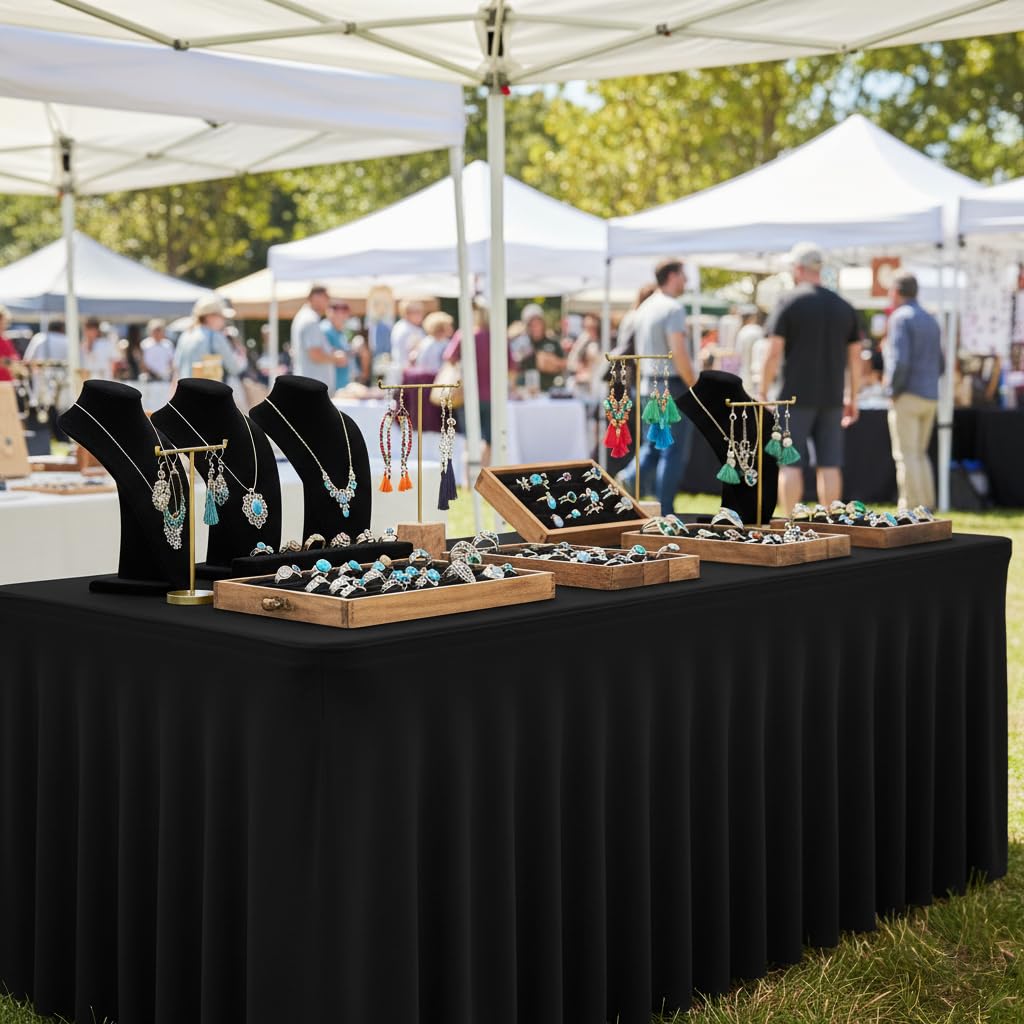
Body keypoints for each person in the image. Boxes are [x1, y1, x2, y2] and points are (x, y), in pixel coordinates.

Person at [760, 242, 861, 512]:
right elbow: (855, 358)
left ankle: (792, 523)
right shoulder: (843, 306)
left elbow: (773, 352)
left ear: (798, 268)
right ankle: (831, 523)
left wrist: (762, 391)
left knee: (790, 463)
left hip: (793, 397)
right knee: (830, 464)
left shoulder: (789, 301)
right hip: (832, 396)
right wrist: (853, 396)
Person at [617, 258, 696, 515]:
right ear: (672, 276)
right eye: (683, 275)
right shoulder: (673, 308)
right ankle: (666, 511)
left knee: (653, 446)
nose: (686, 280)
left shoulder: (644, 307)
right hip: (672, 386)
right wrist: (695, 384)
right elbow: (679, 353)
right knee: (672, 451)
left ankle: (628, 478)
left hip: (647, 385)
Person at [885, 271, 944, 509]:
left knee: (906, 454)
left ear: (896, 292)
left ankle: (910, 508)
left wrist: (893, 390)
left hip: (908, 394)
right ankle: (926, 506)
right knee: (919, 453)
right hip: (930, 394)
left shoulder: (901, 318)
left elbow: (900, 361)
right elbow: (941, 363)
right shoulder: (931, 319)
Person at [444, 300, 496, 460]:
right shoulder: (496, 335)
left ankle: (469, 472)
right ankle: (483, 471)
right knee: (489, 440)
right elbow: (511, 365)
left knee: (469, 439)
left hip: (467, 394)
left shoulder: (465, 334)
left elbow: (449, 357)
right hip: (491, 395)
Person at [173, 296, 247, 382]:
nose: (224, 320)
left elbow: (176, 369)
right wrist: (242, 356)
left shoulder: (186, 335)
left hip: (185, 389)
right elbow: (234, 368)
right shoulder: (215, 336)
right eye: (221, 316)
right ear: (209, 316)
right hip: (206, 389)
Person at [291, 285, 346, 390]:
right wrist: (336, 358)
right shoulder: (310, 320)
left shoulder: (305, 317)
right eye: (326, 297)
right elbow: (315, 355)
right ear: (316, 297)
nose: (328, 302)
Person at [518, 304, 567, 392]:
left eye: (537, 323)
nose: (535, 328)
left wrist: (552, 362)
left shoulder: (553, 342)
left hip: (550, 390)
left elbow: (564, 364)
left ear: (543, 324)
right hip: (529, 392)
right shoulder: (523, 344)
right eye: (531, 325)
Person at [321, 300, 353, 390]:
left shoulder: (341, 332)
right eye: (337, 310)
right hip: (330, 386)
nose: (342, 315)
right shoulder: (325, 330)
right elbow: (337, 358)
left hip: (341, 385)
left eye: (345, 311)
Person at [735, 304, 765, 395]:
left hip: (745, 372)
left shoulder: (743, 331)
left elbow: (738, 353)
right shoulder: (759, 330)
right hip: (758, 373)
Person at [390, 300, 426, 370]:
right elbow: (412, 355)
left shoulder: (406, 326)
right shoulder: (406, 330)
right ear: (407, 313)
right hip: (407, 370)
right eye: (417, 312)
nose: (421, 314)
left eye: (421, 311)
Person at [0, 305, 19, 383]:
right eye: (5, 320)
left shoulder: (5, 338)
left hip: (8, 381)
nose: (6, 324)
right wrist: (13, 363)